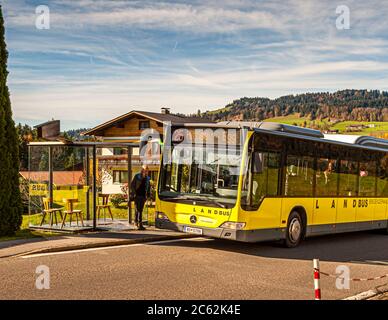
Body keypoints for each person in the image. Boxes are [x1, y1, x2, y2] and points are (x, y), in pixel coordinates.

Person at [130, 165, 151, 230]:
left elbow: (148, 187)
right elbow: (132, 185)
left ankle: (137, 222)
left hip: (143, 196)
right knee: (137, 209)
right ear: (142, 169)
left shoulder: (148, 178)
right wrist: (133, 193)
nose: (146, 171)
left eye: (147, 170)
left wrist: (148, 196)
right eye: (145, 169)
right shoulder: (137, 176)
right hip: (137, 195)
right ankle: (139, 223)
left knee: (140, 210)